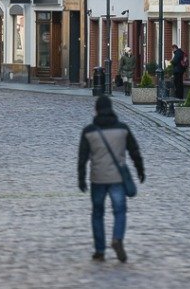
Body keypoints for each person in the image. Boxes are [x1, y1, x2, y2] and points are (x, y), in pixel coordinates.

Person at [78, 95, 145, 263]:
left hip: (97, 178)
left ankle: (100, 251)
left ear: (96, 110)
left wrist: (81, 178)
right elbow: (134, 150)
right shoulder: (123, 129)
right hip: (117, 178)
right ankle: (117, 238)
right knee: (120, 211)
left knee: (97, 214)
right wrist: (140, 169)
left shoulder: (89, 131)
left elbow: (82, 157)